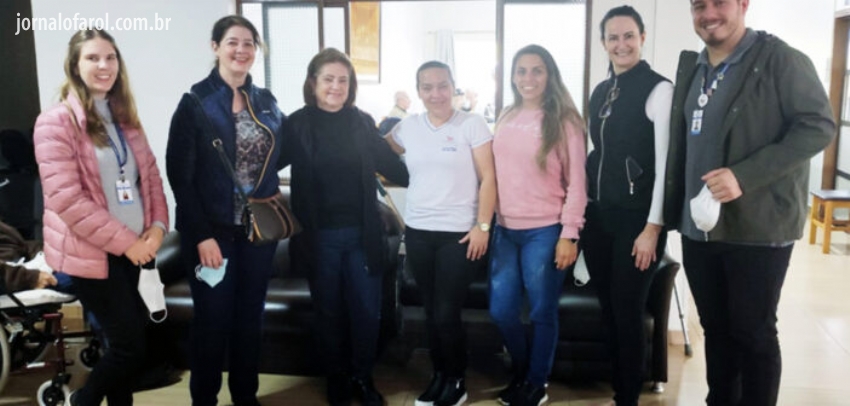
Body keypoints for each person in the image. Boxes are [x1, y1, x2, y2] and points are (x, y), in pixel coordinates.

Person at [664, 1, 835, 405]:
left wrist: (744, 175)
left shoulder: (781, 60)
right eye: (698, 5)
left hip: (758, 228)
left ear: (743, 4)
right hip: (701, 228)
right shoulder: (694, 66)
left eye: (719, 2)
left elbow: (818, 126)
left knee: (753, 332)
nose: (708, 13)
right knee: (716, 329)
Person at [33, 29, 168, 406]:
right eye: (92, 58)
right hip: (91, 254)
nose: (104, 65)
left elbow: (151, 179)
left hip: (135, 251)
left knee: (121, 344)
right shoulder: (55, 123)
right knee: (129, 347)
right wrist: (129, 244)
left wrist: (157, 228)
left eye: (110, 57)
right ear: (75, 66)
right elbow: (68, 200)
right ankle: (83, 401)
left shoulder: (126, 119)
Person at [166, 15, 286, 406]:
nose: (241, 50)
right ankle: (204, 399)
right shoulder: (195, 103)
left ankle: (245, 396)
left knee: (250, 319)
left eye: (249, 43)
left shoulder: (266, 102)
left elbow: (281, 154)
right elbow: (180, 178)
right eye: (233, 42)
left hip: (256, 234)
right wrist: (201, 235)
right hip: (212, 233)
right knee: (213, 321)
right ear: (215, 46)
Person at [281, 48, 409, 406]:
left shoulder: (361, 122)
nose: (336, 86)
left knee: (367, 312)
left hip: (361, 236)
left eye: (343, 80)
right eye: (328, 79)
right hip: (318, 238)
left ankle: (362, 377)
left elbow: (394, 167)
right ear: (313, 83)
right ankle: (336, 378)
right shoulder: (296, 124)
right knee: (329, 313)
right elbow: (265, 165)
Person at [386, 61, 496, 406]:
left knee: (447, 311)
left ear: (453, 86)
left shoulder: (471, 124)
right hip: (418, 231)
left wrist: (482, 226)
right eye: (427, 87)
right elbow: (380, 149)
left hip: (459, 236)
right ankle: (439, 375)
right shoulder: (408, 127)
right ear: (418, 91)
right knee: (432, 311)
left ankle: (457, 380)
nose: (436, 94)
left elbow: (489, 178)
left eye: (442, 85)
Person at [581, 6, 673, 406]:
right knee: (608, 307)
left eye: (629, 35)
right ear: (603, 43)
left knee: (627, 309)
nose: (621, 44)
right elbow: (598, 155)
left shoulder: (659, 90)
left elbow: (666, 165)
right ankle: (619, 383)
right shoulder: (601, 91)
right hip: (599, 218)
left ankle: (628, 396)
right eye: (613, 37)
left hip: (638, 223)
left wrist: (653, 228)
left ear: (642, 38)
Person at [488, 44, 587, 406]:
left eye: (537, 70)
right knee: (501, 310)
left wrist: (569, 234)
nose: (528, 78)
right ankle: (522, 373)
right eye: (521, 71)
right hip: (504, 229)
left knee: (542, 311)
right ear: (512, 77)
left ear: (549, 75)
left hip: (545, 231)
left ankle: (536, 383)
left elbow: (578, 183)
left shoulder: (565, 121)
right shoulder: (506, 114)